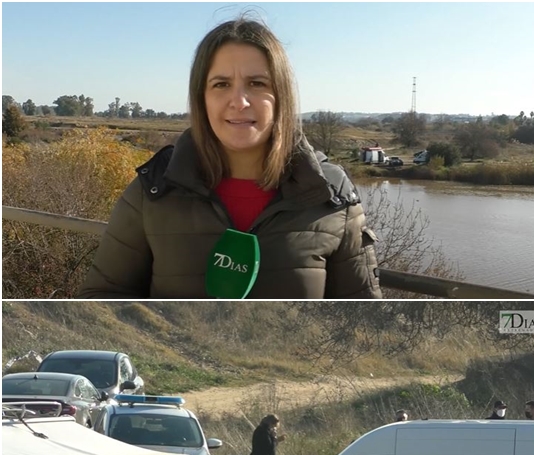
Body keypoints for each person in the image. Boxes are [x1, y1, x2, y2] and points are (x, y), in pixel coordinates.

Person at [77, 18, 381, 299]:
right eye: (221, 84)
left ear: (282, 97)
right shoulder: (154, 191)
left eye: (257, 83)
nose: (239, 101)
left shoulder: (330, 194)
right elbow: (102, 297)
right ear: (202, 98)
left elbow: (365, 313)